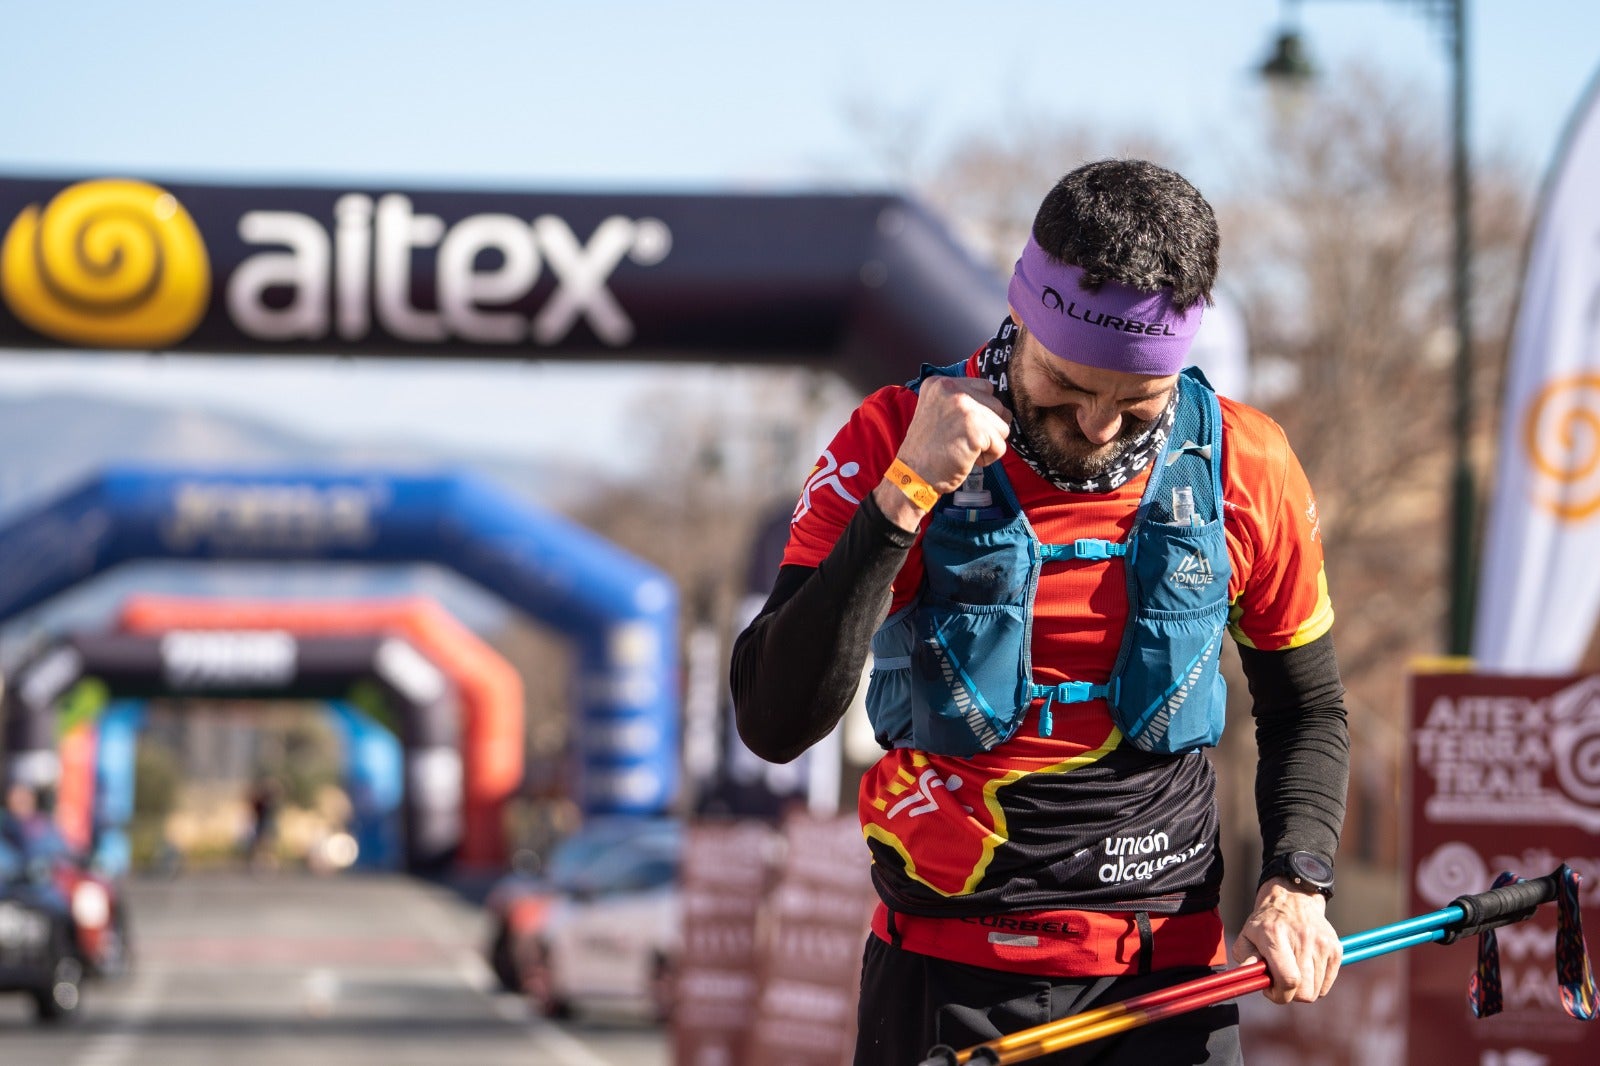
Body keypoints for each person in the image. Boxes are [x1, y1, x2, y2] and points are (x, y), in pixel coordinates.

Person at [730, 159, 1348, 1064]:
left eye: (1137, 404)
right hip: (949, 982)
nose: (1099, 427)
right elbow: (773, 718)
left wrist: (1299, 879)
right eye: (1066, 388)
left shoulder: (1245, 464)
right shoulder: (890, 437)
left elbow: (1309, 709)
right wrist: (906, 495)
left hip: (1163, 980)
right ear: (1020, 317)